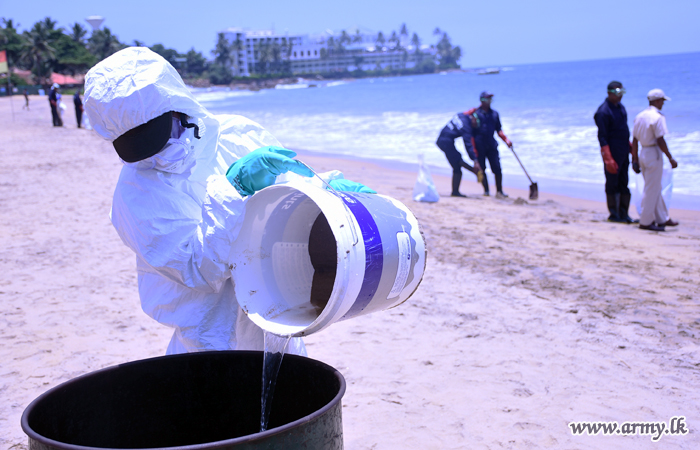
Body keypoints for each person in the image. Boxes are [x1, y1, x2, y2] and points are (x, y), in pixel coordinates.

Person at [84, 47, 373, 355]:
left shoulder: (237, 135)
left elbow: (287, 194)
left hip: (279, 319)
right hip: (207, 345)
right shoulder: (134, 194)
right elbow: (197, 269)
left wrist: (325, 190)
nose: (155, 156)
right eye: (139, 147)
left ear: (178, 106)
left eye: (157, 136)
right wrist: (233, 189)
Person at [631, 89, 679, 231]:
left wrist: (634, 159)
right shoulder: (657, 117)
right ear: (657, 101)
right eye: (662, 101)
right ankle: (645, 221)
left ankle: (662, 218)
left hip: (643, 152)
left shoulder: (640, 116)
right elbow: (660, 140)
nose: (662, 104)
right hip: (653, 153)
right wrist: (670, 157)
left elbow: (634, 140)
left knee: (654, 186)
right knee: (651, 189)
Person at [593, 81, 635, 223]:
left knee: (624, 182)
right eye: (617, 93)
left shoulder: (621, 108)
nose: (620, 96)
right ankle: (614, 214)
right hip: (612, 152)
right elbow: (602, 137)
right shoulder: (603, 112)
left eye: (622, 93)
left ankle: (624, 214)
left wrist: (631, 148)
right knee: (612, 183)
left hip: (623, 151)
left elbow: (623, 130)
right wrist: (608, 158)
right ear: (609, 93)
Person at [471, 91, 513, 198]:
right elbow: (470, 132)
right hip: (479, 145)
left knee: (497, 168)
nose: (489, 101)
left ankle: (499, 191)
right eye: (487, 99)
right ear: (482, 100)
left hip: (491, 145)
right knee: (482, 169)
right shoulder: (475, 114)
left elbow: (499, 130)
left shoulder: (495, 114)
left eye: (490, 99)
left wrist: (506, 140)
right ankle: (486, 191)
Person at [436, 108, 483, 197]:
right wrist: (475, 160)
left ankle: (455, 192)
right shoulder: (466, 127)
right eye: (476, 123)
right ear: (474, 118)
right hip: (446, 142)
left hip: (442, 140)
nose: (475, 126)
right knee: (458, 162)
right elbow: (468, 144)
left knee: (457, 167)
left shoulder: (461, 115)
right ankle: (474, 171)